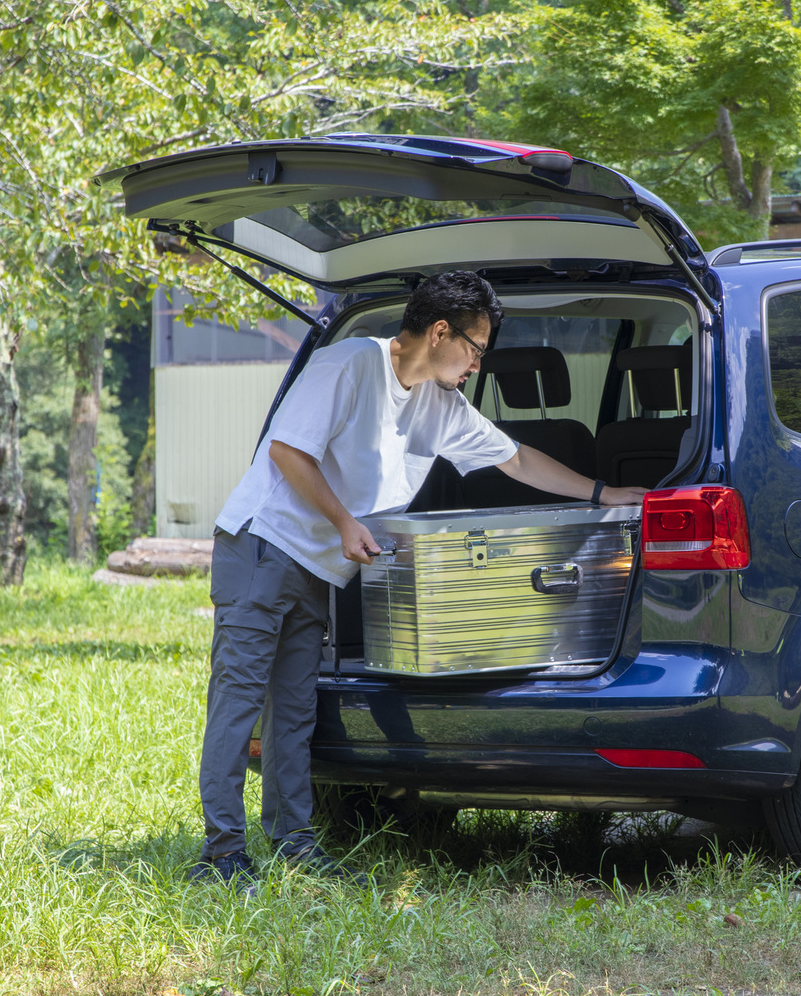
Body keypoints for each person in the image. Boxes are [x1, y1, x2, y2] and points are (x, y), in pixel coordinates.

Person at [190, 270, 646, 884]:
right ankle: (222, 854)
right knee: (240, 702)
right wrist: (347, 523)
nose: (478, 366)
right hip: (262, 548)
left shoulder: (438, 404)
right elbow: (288, 452)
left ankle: (293, 839)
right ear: (440, 331)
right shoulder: (350, 363)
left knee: (295, 708)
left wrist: (603, 491)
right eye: (476, 349)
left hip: (315, 567)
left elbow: (515, 458)